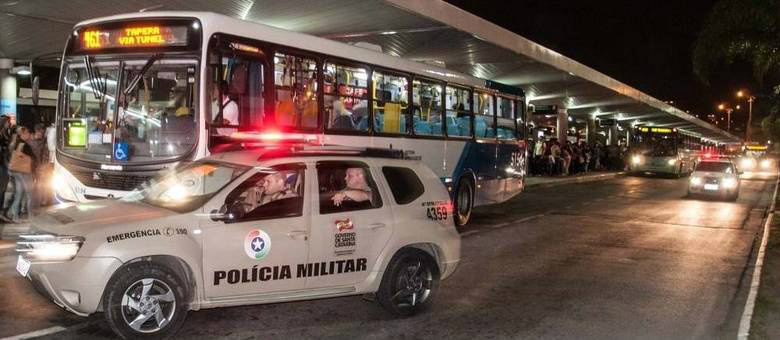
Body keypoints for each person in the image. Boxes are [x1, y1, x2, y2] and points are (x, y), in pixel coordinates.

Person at [7, 126, 36, 223]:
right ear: (22, 133)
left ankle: (14, 216)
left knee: (19, 194)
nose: (28, 134)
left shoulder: (16, 142)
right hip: (24, 172)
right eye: (27, 132)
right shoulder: (22, 144)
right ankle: (31, 216)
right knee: (30, 193)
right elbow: (28, 157)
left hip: (16, 171)